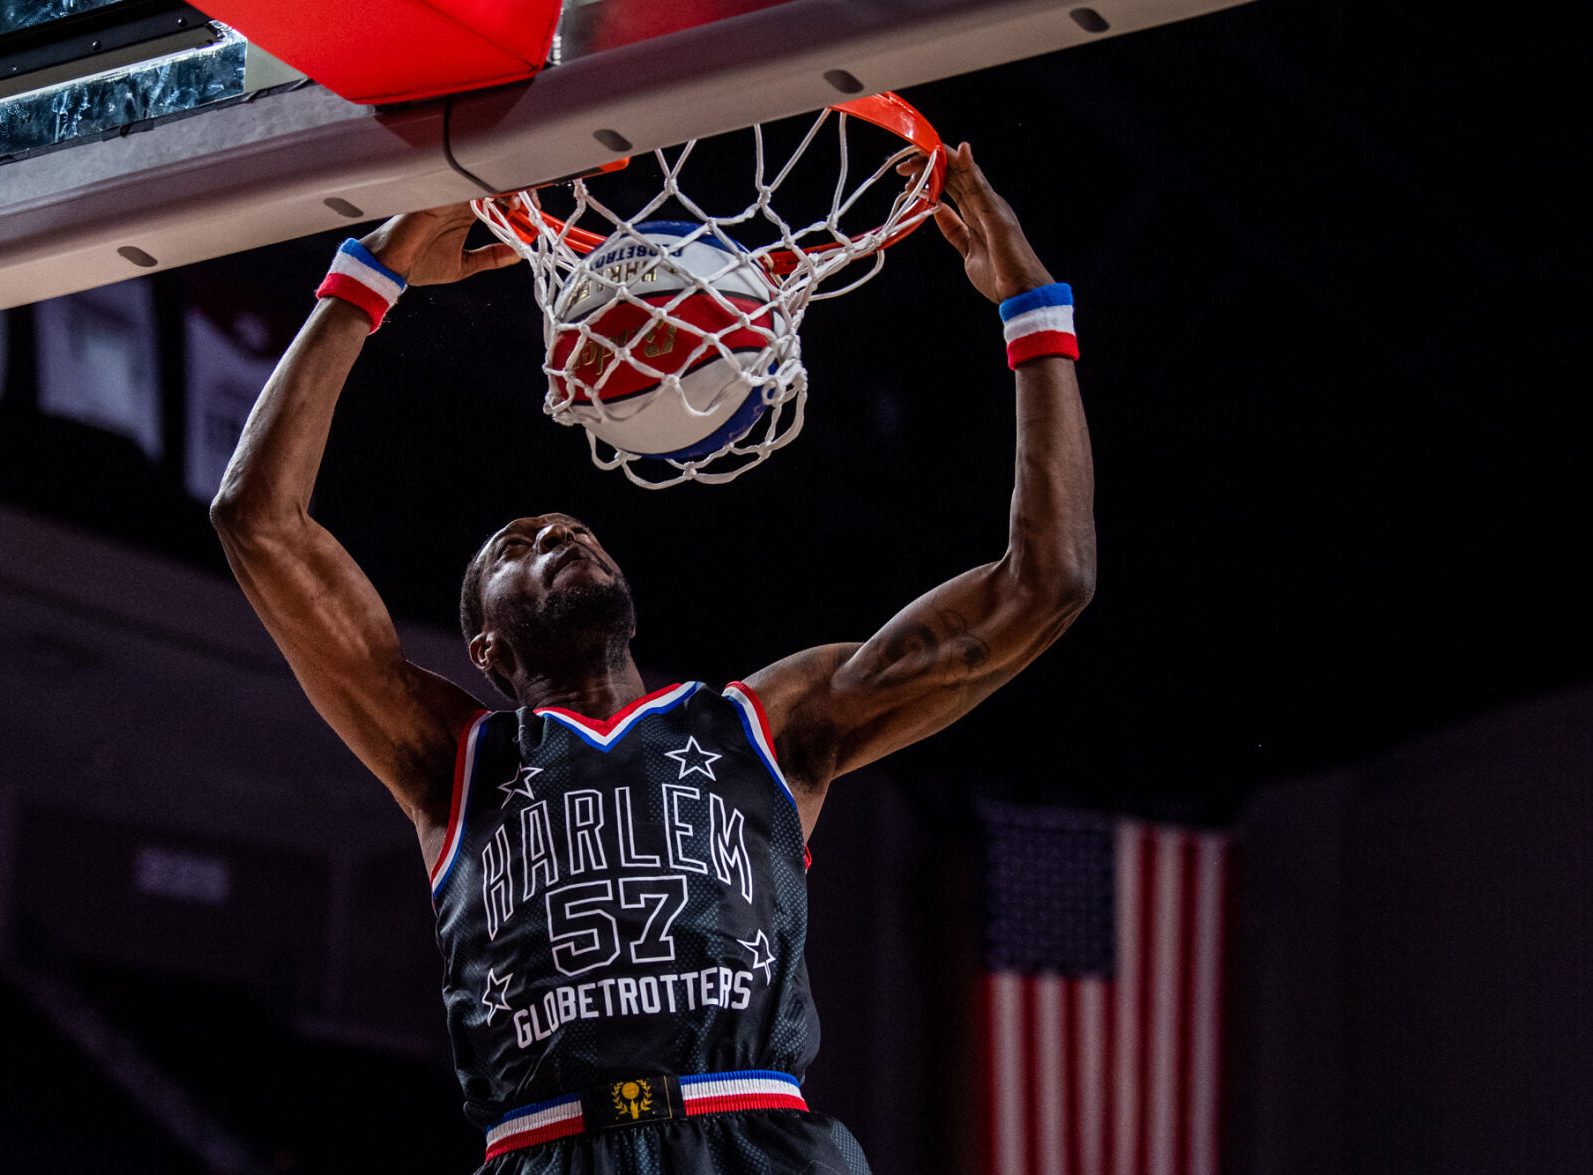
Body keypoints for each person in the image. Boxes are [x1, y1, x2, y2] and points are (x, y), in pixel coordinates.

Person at [210, 142, 1095, 1173]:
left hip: (757, 1137)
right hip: (550, 1146)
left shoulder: (766, 723)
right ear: (486, 646)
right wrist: (376, 268)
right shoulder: (448, 756)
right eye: (514, 546)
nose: (555, 533)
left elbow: (1046, 582)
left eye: (570, 528)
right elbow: (255, 519)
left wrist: (1033, 314)